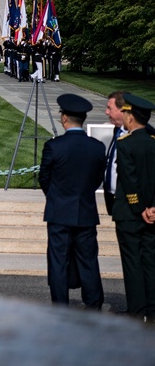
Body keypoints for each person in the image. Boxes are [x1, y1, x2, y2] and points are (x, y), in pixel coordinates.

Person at [38, 94, 106, 308]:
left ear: (64, 118)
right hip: (85, 210)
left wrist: (57, 197)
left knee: (59, 262)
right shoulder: (96, 147)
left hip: (59, 212)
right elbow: (97, 178)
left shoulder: (54, 146)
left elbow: (44, 178)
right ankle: (93, 304)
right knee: (88, 261)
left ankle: (60, 306)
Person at [111, 93, 155, 320]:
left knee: (132, 264)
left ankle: (137, 312)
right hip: (152, 214)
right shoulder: (153, 142)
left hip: (131, 214)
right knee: (150, 262)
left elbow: (129, 180)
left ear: (130, 117)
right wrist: (152, 207)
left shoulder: (126, 144)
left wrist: (140, 209)